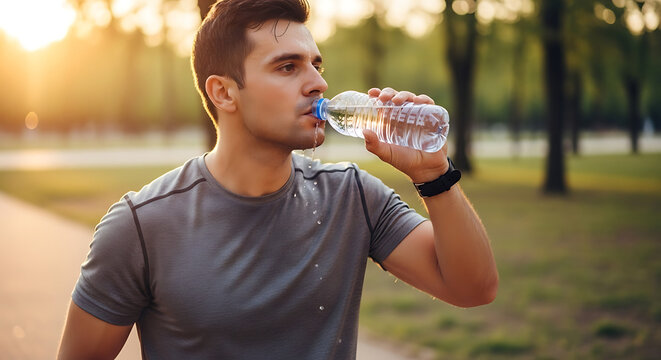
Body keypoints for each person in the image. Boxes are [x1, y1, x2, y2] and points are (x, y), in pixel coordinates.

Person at [57, 0, 498, 358]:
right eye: (288, 67)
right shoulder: (140, 225)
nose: (318, 83)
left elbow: (474, 288)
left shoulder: (353, 196)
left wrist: (433, 175)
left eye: (316, 64)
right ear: (223, 92)